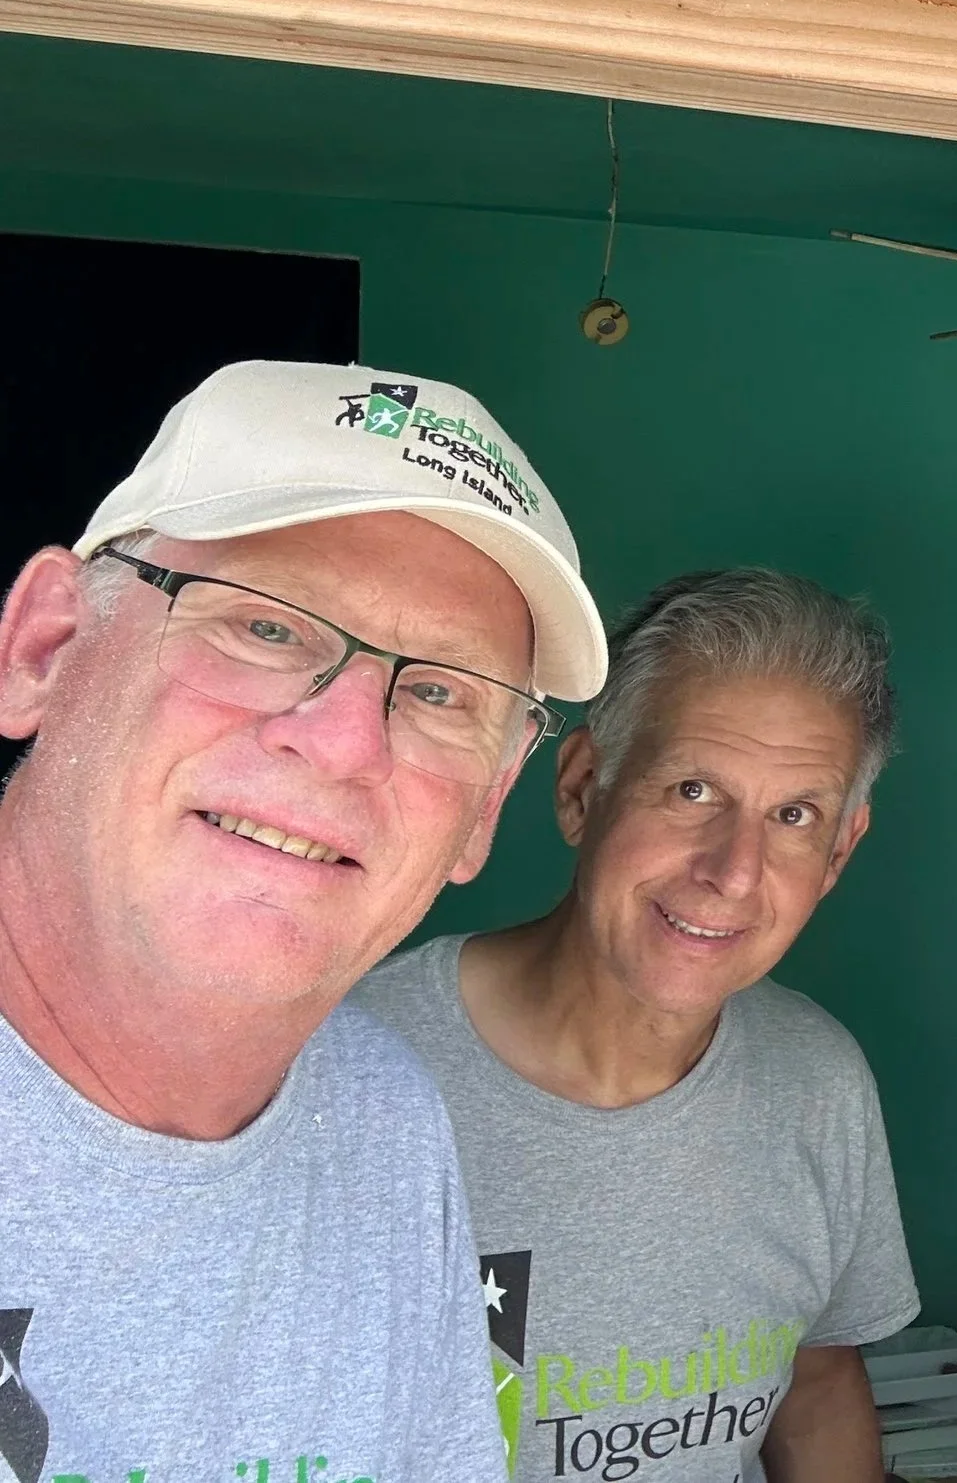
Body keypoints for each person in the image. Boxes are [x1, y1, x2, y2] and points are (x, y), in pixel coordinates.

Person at [0, 359, 607, 1481]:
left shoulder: (384, 1125)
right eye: (266, 628)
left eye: (439, 693)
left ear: (486, 811)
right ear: (42, 649)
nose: (343, 744)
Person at [351, 568, 920, 1483]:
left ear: (839, 851)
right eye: (693, 790)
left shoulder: (817, 1081)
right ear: (582, 787)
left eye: (793, 815)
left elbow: (812, 1385)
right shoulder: (349, 1064)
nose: (734, 870)